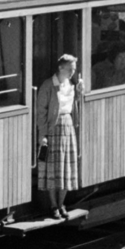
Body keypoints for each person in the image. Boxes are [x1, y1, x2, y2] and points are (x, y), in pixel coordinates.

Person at [34, 53, 84, 218]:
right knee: (52, 169)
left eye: (74, 70)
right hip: (52, 129)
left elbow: (73, 108)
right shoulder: (48, 85)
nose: (72, 73)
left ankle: (62, 204)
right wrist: (43, 134)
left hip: (67, 127)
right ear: (61, 68)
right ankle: (53, 206)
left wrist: (78, 94)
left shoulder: (71, 84)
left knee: (65, 168)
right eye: (70, 69)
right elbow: (40, 112)